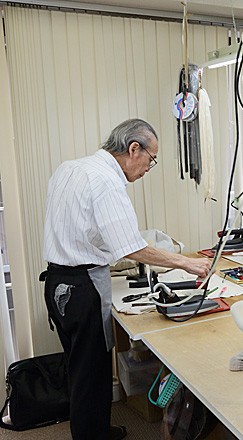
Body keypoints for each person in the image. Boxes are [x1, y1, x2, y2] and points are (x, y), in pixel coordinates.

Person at [42, 119, 211, 440]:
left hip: (55, 282)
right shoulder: (107, 181)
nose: (149, 168)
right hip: (83, 287)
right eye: (151, 159)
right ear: (134, 149)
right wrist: (185, 263)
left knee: (79, 368)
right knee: (93, 372)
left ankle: (95, 430)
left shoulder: (70, 168)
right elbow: (132, 248)